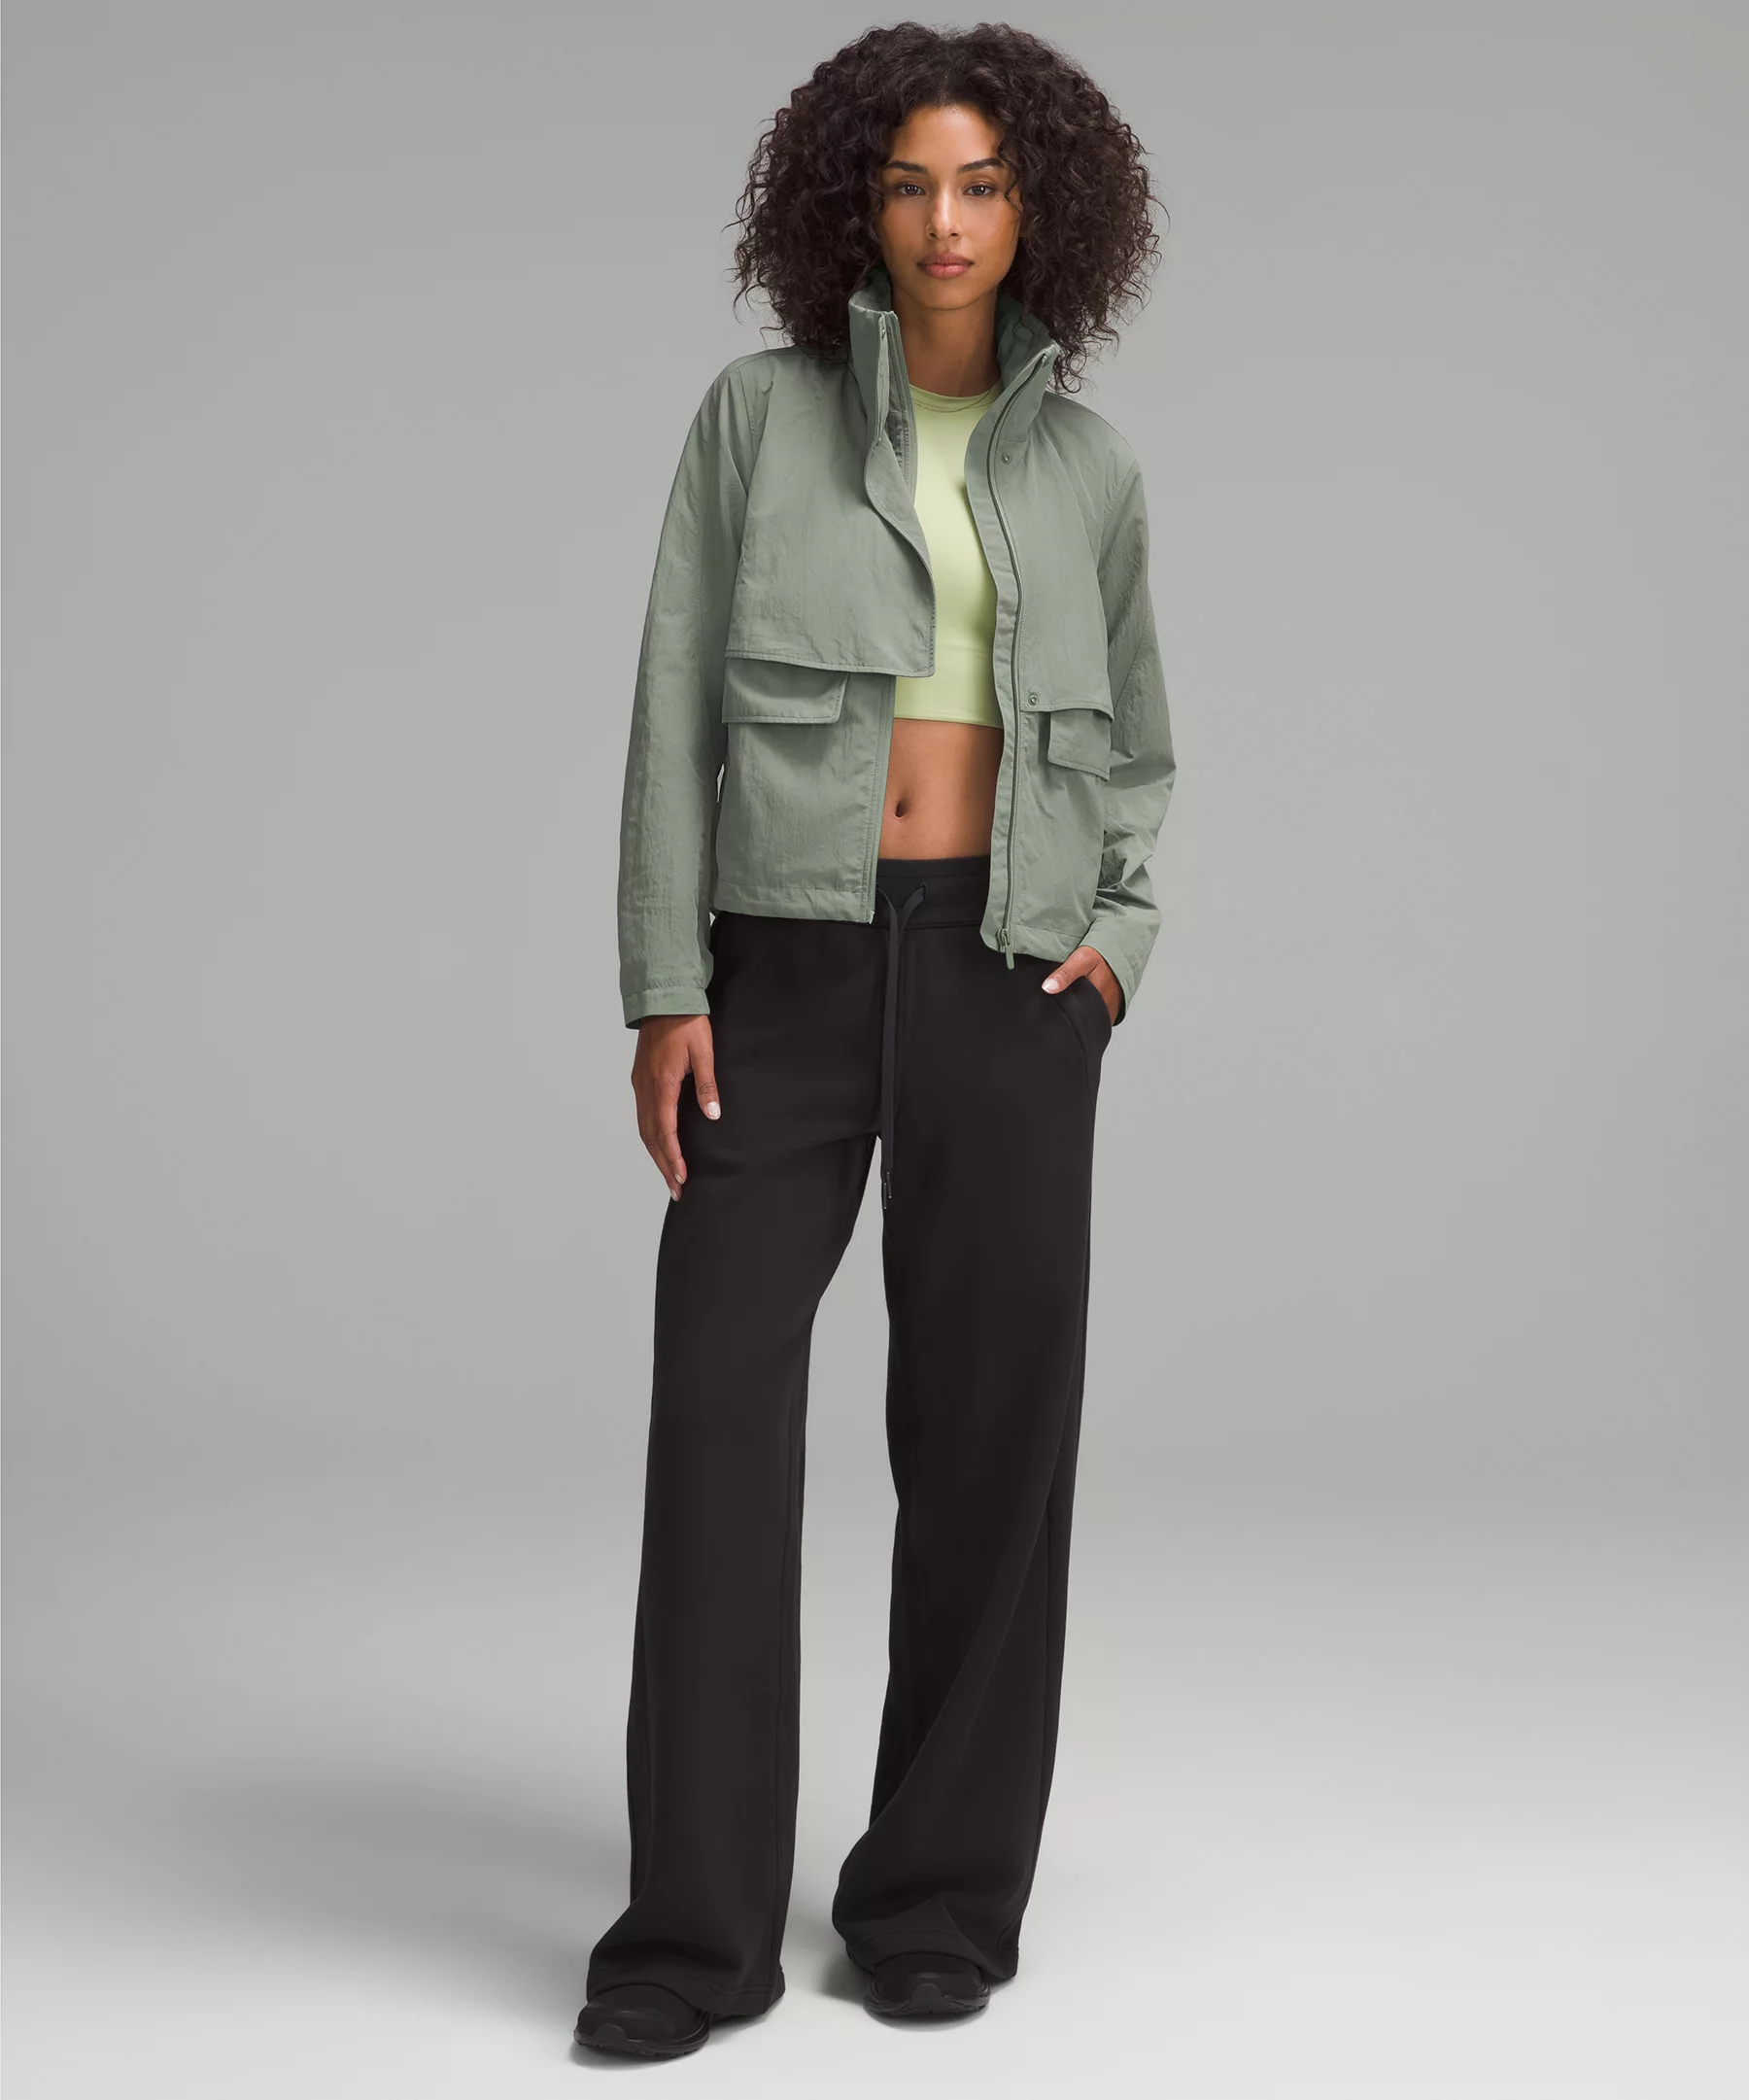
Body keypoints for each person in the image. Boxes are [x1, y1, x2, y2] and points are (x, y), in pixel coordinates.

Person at [575, 20, 1175, 2061]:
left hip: (1009, 975)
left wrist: (1116, 951)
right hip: (788, 968)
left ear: (1039, 212)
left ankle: (935, 1901)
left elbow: (1143, 751)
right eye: (912, 182)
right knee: (718, 1424)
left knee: (994, 1440)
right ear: (856, 202)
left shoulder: (1090, 471)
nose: (946, 221)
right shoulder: (754, 422)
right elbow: (670, 710)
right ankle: (693, 1936)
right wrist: (666, 985)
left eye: (983, 184)